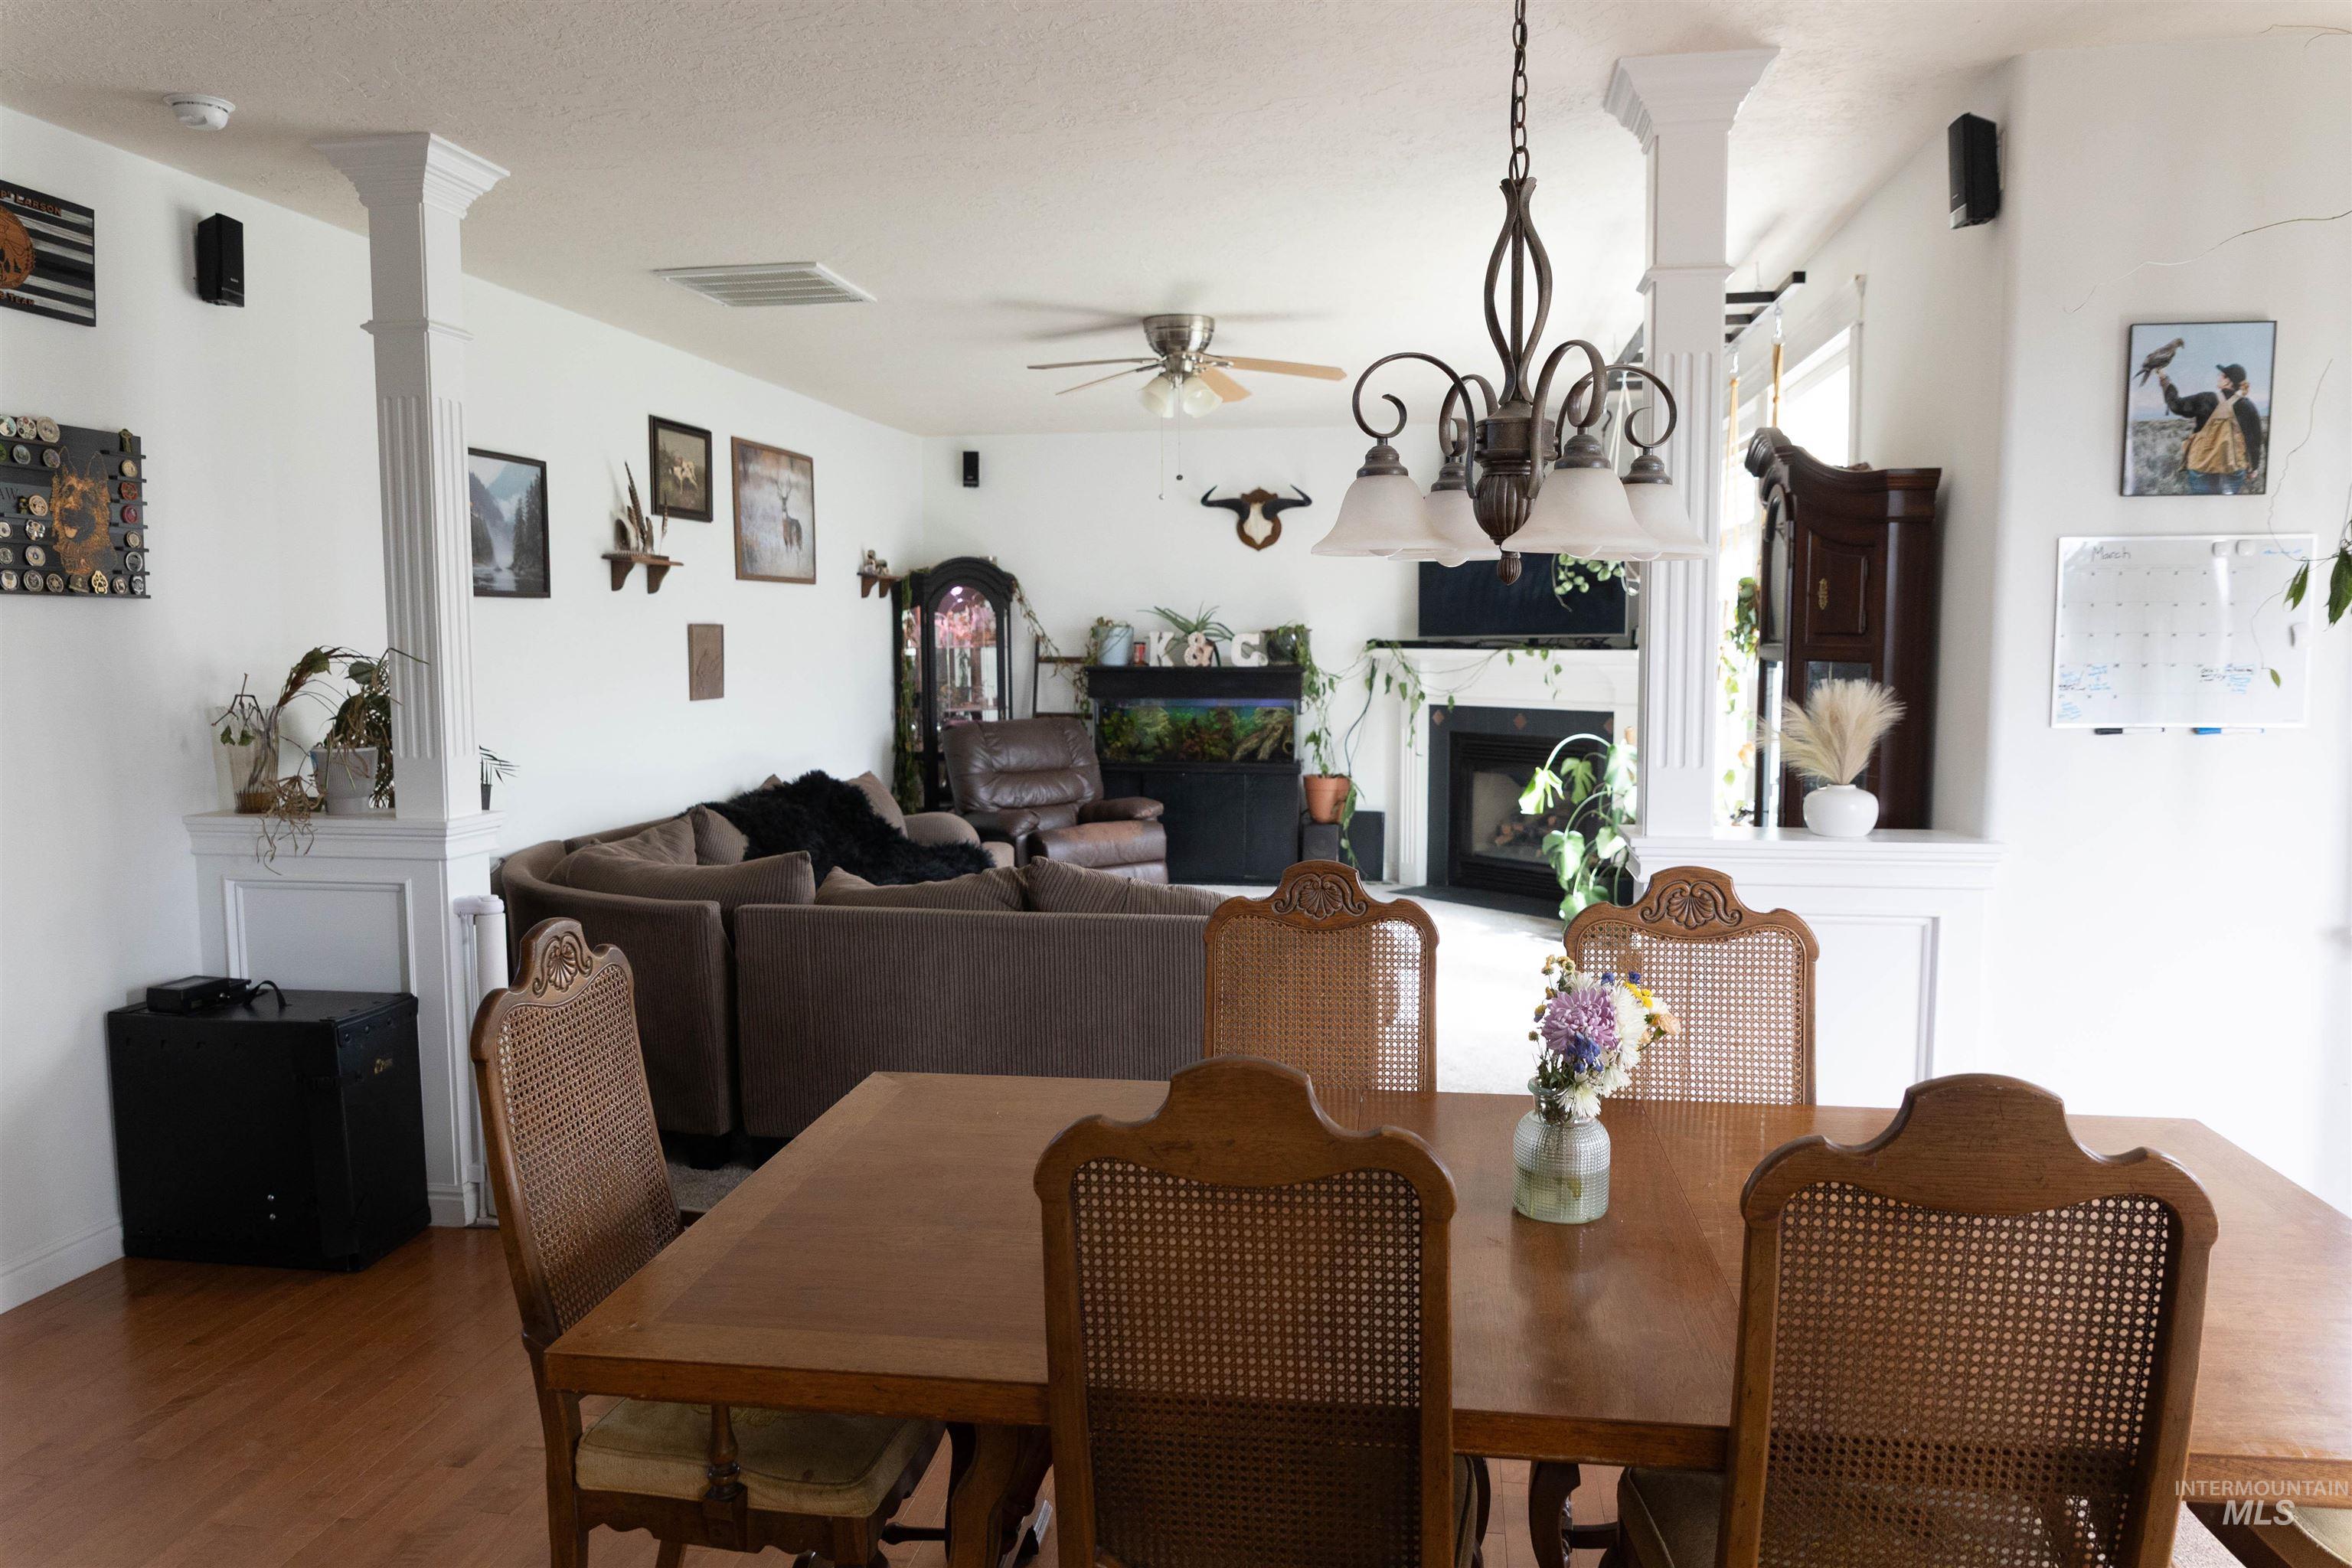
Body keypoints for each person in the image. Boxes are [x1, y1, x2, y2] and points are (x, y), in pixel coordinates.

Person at [2157, 362, 2265, 495]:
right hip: (2233, 467)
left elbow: (2176, 405)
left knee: (2201, 504)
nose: (2219, 377)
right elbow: (2255, 440)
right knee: (2227, 505)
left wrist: (2164, 380)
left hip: (2202, 464)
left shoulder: (2206, 399)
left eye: (2222, 375)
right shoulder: (2248, 406)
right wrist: (2254, 467)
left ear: (2228, 381)